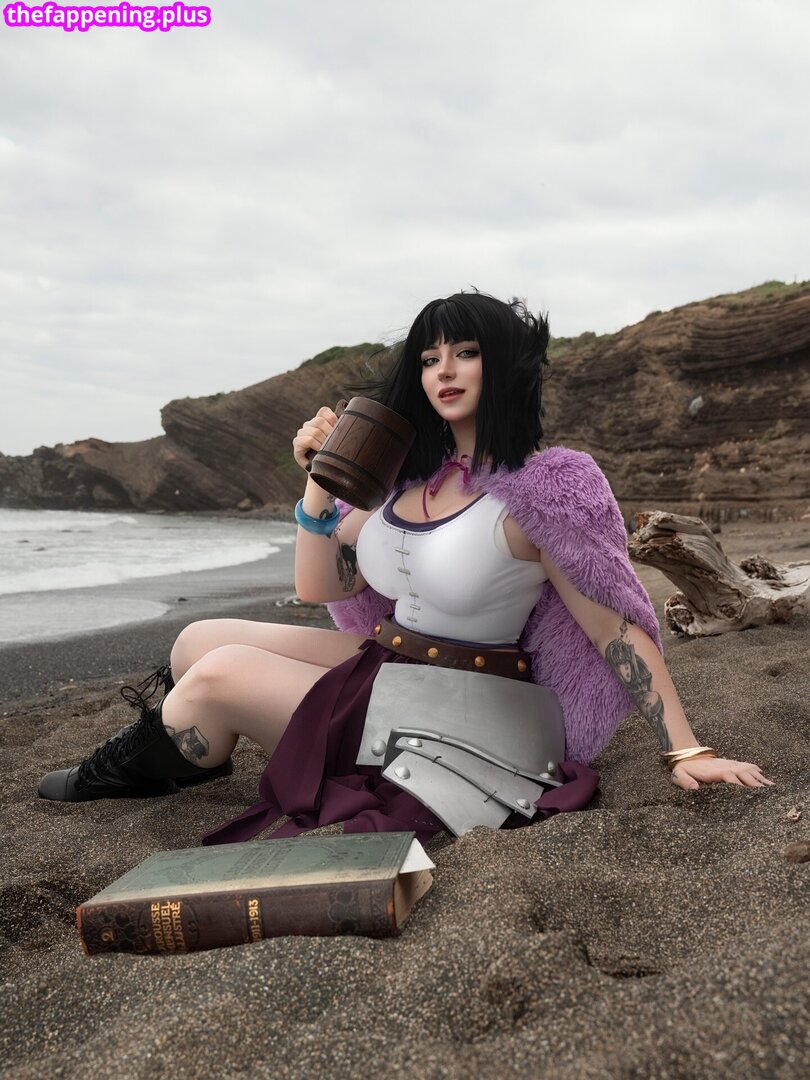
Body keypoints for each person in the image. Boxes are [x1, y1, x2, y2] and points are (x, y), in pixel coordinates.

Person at [38, 291, 773, 841]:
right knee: (195, 641)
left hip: (468, 705)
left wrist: (687, 749)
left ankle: (162, 749)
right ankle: (191, 746)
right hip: (391, 663)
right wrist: (321, 480)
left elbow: (616, 626)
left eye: (465, 352)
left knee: (220, 674)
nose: (443, 371)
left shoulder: (544, 488)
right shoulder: (407, 483)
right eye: (428, 358)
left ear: (503, 364)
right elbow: (318, 586)